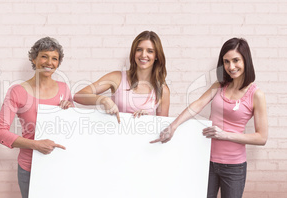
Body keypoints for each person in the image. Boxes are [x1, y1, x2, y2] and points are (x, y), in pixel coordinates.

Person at [150, 38, 268, 198]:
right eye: (226, 62)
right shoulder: (219, 86)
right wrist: (173, 126)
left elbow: (262, 138)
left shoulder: (256, 94)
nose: (231, 67)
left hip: (234, 167)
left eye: (236, 60)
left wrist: (225, 135)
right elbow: (197, 105)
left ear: (246, 60)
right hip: (206, 160)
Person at [0, 37, 73, 198]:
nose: (49, 62)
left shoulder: (64, 88)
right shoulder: (18, 91)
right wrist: (35, 145)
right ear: (34, 59)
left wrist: (71, 111)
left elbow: (71, 130)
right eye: (44, 56)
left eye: (54, 58)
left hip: (61, 166)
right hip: (30, 168)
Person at [74, 30, 170, 121]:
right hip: (115, 136)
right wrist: (103, 100)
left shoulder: (162, 90)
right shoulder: (117, 78)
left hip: (144, 137)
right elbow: (78, 96)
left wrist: (148, 119)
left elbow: (162, 128)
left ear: (157, 56)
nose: (143, 55)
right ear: (134, 53)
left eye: (150, 51)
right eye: (139, 50)